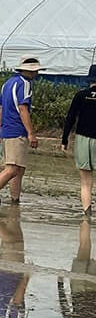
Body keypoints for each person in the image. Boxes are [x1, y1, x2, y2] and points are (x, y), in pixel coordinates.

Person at [0, 55, 45, 203]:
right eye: (36, 71)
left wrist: (0, 128)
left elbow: (1, 108)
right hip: (17, 131)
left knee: (18, 169)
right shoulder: (25, 84)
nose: (37, 74)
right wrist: (31, 133)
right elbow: (23, 109)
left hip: (6, 130)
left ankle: (15, 200)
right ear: (31, 71)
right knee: (12, 169)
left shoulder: (8, 83)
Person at [62, 64, 96, 215]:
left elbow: (70, 118)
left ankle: (87, 213)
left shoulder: (81, 95)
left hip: (82, 139)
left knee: (85, 182)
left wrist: (64, 140)